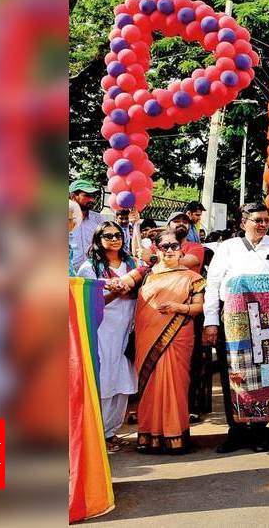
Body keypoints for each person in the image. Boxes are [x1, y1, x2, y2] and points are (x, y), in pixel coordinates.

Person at [203, 202, 269, 453]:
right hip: (233, 321)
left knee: (265, 373)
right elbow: (212, 286)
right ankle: (235, 430)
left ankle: (259, 429)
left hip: (268, 320)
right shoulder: (228, 248)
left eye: (266, 220)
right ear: (243, 222)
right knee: (232, 374)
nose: (263, 224)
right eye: (257, 220)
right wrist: (211, 322)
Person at [132, 229, 205, 454]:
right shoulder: (146, 274)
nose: (171, 250)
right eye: (165, 247)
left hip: (179, 335)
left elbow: (198, 307)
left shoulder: (193, 277)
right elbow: (124, 284)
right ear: (157, 249)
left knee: (175, 383)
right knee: (150, 383)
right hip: (147, 337)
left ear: (181, 249)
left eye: (175, 246)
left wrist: (178, 308)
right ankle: (148, 437)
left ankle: (175, 435)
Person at [77, 222, 140, 453]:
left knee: (123, 382)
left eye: (118, 235)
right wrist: (117, 291)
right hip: (103, 331)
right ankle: (98, 433)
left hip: (127, 330)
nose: (115, 239)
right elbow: (92, 303)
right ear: (98, 239)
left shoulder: (131, 264)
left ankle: (111, 431)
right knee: (104, 381)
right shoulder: (90, 268)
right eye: (108, 235)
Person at [69, 179, 102, 271]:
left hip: (93, 272)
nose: (92, 199)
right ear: (73, 196)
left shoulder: (98, 219)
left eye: (92, 196)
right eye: (87, 195)